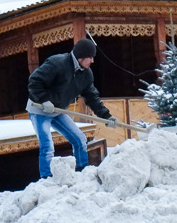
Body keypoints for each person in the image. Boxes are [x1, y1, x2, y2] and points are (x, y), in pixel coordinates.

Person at [27, 39, 118, 178]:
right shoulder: (57, 63)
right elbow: (34, 81)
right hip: (39, 110)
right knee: (47, 146)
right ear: (81, 57)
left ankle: (82, 172)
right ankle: (46, 179)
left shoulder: (86, 74)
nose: (92, 61)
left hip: (58, 111)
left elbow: (92, 97)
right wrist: (44, 100)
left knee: (80, 139)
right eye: (90, 57)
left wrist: (106, 116)